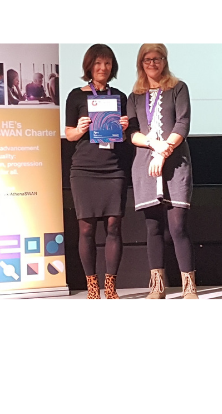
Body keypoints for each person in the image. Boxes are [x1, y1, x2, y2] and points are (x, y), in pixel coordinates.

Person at [127, 43, 198, 299]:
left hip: (175, 163)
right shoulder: (134, 96)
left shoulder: (178, 88)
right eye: (147, 59)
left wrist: (163, 150)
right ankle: (157, 286)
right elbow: (132, 132)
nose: (152, 63)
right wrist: (152, 144)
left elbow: (183, 123)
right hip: (146, 166)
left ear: (165, 61)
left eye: (157, 58)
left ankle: (189, 286)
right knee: (153, 228)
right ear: (141, 63)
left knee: (177, 227)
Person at [65, 44, 129, 299]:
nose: (103, 68)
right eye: (98, 63)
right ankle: (92, 287)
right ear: (89, 66)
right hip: (84, 169)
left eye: (108, 63)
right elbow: (69, 134)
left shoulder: (120, 97)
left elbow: (125, 137)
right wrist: (80, 129)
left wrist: (124, 127)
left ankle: (110, 287)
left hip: (113, 168)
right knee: (86, 229)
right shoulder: (76, 96)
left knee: (114, 227)